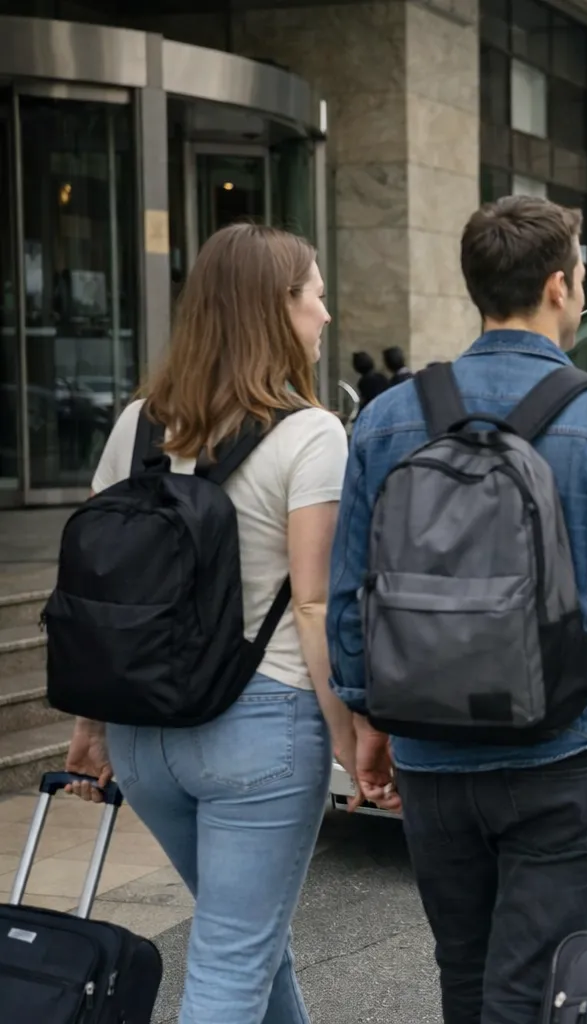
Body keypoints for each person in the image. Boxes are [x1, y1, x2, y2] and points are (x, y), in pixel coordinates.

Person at [325, 194, 587, 1024]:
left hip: (432, 752)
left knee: (468, 980)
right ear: (558, 286)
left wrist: (369, 725)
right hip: (569, 751)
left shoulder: (384, 422)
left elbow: (351, 598)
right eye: (582, 275)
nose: (582, 289)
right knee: (539, 990)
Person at [62, 223, 359, 1024]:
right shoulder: (312, 434)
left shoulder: (135, 426)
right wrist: (347, 731)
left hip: (144, 733)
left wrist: (94, 725)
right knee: (231, 965)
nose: (326, 316)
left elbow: (105, 592)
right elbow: (313, 603)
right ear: (278, 307)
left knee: (250, 943)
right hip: (261, 729)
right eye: (317, 295)